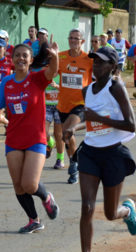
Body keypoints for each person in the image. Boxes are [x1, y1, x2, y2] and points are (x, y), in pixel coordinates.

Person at [65, 47, 136, 252]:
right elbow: (87, 117)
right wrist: (71, 128)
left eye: (102, 62)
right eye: (94, 61)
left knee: (109, 213)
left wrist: (100, 119)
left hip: (113, 155)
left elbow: (131, 124)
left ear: (112, 67)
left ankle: (127, 211)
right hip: (90, 153)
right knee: (87, 206)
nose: (96, 65)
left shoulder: (115, 87)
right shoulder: (87, 89)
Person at [0, 43, 59, 233]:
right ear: (12, 59)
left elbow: (53, 71)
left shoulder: (37, 78)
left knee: (29, 184)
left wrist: (54, 56)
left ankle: (46, 197)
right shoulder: (7, 82)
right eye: (17, 56)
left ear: (31, 60)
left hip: (36, 139)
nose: (21, 59)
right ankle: (34, 220)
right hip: (13, 139)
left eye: (25, 56)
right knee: (18, 186)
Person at [57, 28, 93, 184]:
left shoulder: (89, 59)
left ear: (82, 41)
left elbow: (98, 79)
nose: (73, 41)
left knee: (66, 131)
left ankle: (76, 162)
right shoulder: (61, 57)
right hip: (62, 104)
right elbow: (50, 73)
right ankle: (74, 162)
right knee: (66, 137)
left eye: (76, 39)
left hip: (80, 104)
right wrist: (51, 55)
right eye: (71, 38)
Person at [45, 75, 65, 169]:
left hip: (59, 106)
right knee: (43, 131)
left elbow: (68, 90)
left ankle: (60, 159)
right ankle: (50, 142)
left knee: (58, 134)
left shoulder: (62, 74)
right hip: (47, 106)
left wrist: (57, 86)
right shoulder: (45, 74)